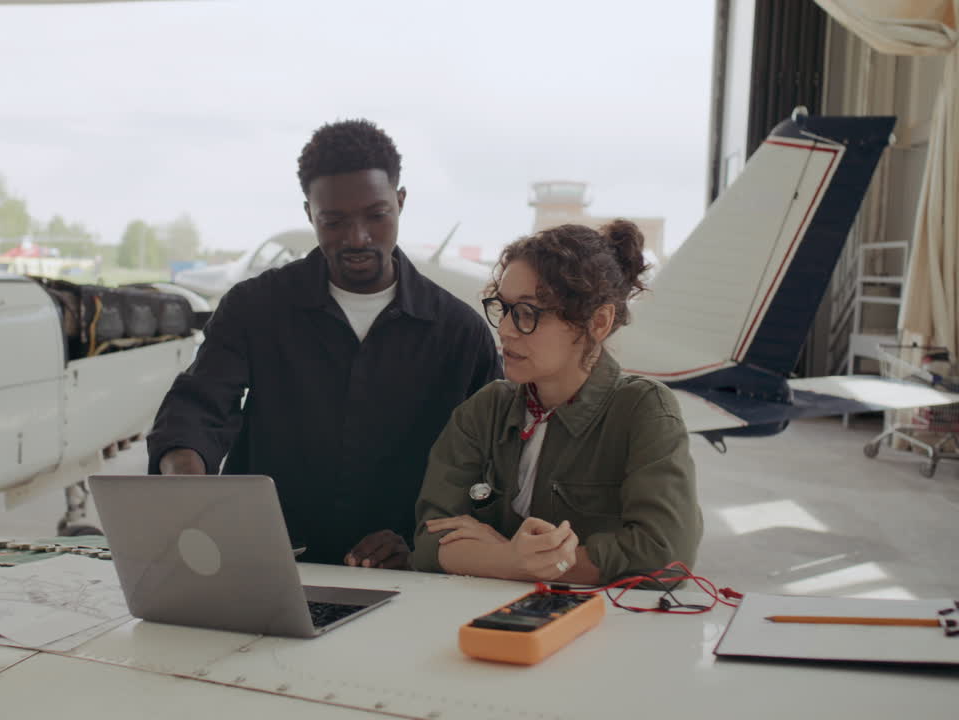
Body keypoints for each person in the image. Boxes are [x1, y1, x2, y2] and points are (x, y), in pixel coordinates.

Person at [148, 119, 502, 568]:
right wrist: (184, 479)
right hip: (265, 564)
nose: (357, 238)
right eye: (333, 221)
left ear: (401, 201)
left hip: (408, 579)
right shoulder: (254, 308)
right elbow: (198, 408)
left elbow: (489, 471)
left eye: (377, 215)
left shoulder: (461, 334)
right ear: (308, 213)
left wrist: (424, 546)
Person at [410, 221, 701, 583]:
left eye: (528, 313)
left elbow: (666, 556)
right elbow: (429, 541)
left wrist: (504, 557)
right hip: (491, 629)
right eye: (503, 308)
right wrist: (513, 560)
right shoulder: (485, 410)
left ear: (598, 322)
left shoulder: (643, 410)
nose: (504, 330)